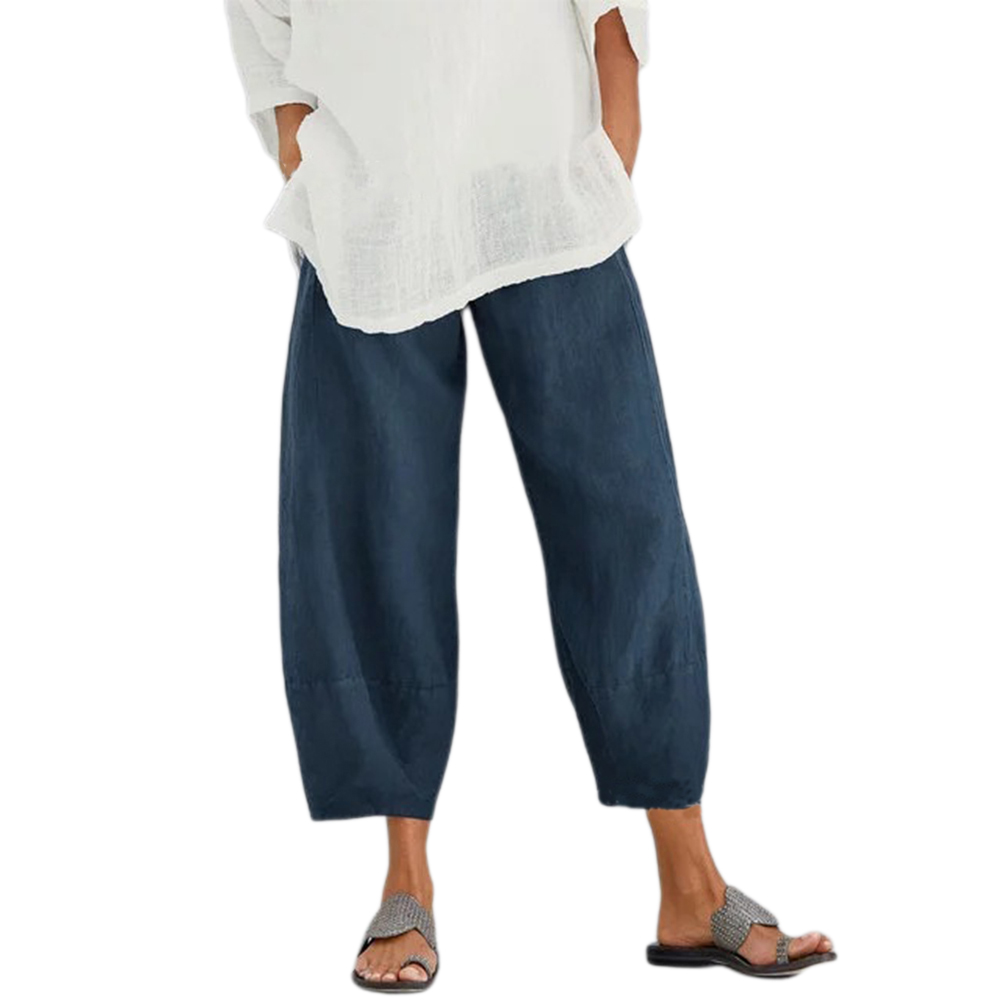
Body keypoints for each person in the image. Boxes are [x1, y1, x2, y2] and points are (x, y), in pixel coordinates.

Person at [226, 0, 835, 987]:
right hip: (370, 208)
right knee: (378, 533)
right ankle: (406, 880)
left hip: (542, 179)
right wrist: (306, 160)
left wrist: (616, 129)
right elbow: (264, 25)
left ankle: (691, 882)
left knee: (625, 522)